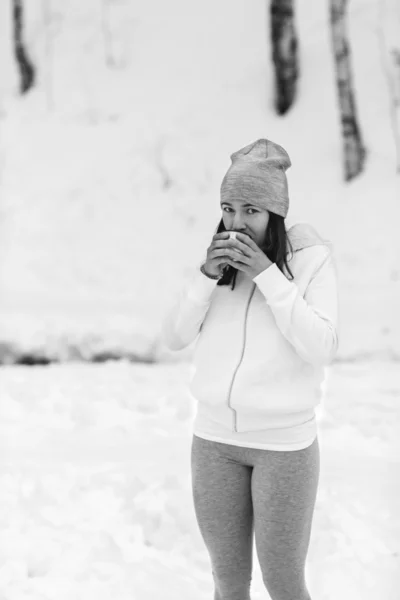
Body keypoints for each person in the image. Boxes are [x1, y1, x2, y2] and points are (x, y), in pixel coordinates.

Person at [161, 138, 339, 600]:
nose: (236, 223)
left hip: (284, 446)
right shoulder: (216, 266)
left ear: (274, 214)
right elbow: (175, 336)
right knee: (229, 581)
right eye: (228, 207)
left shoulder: (309, 262)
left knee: (282, 583)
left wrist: (268, 276)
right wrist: (204, 277)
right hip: (215, 443)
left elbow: (322, 346)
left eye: (251, 210)